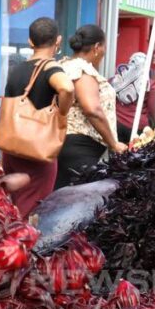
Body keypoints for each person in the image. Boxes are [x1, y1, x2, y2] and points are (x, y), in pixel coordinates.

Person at [0, 17, 74, 216]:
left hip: (12, 148)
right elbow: (67, 88)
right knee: (32, 208)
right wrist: (63, 113)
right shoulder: (51, 68)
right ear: (57, 41)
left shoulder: (16, 71)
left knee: (13, 204)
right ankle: (22, 246)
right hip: (37, 150)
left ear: (30, 42)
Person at [55, 24, 125, 190]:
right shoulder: (82, 70)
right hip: (80, 149)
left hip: (66, 145)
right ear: (96, 47)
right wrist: (113, 144)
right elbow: (92, 110)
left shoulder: (64, 65)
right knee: (79, 206)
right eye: (104, 48)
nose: (103, 53)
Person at [112, 52, 148, 143]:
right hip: (138, 127)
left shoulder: (115, 80)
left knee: (117, 155)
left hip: (117, 124)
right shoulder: (149, 84)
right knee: (136, 155)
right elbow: (153, 109)